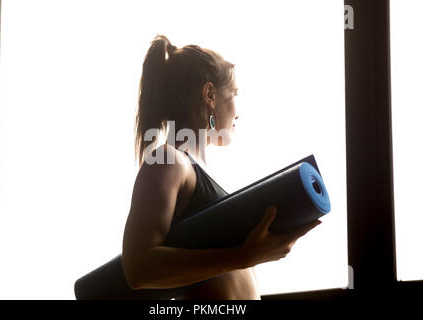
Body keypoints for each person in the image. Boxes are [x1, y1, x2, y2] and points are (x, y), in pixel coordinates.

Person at [122, 34, 321, 300]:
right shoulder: (168, 160)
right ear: (210, 95)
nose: (238, 112)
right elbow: (139, 269)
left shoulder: (188, 168)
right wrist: (245, 256)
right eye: (234, 94)